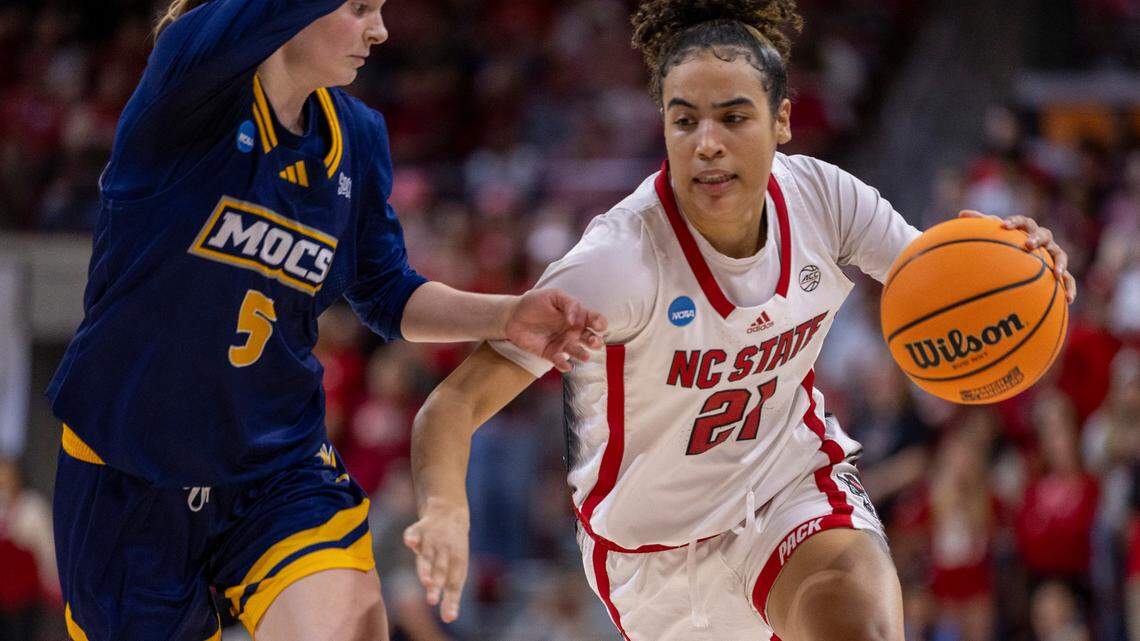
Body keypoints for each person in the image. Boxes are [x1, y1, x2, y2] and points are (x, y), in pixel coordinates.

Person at [401, 1, 1077, 640]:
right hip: (649, 555)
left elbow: (941, 285)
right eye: (684, 119)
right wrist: (443, 507)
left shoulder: (825, 200)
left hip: (789, 484)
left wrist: (1016, 271)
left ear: (781, 120)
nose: (708, 143)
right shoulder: (617, 264)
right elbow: (452, 404)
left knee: (858, 623)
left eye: (733, 116)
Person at [45, 1, 604, 640]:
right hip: (132, 469)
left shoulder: (356, 137)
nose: (381, 29)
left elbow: (387, 293)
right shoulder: (190, 88)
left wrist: (506, 315)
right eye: (361, 8)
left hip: (275, 462)